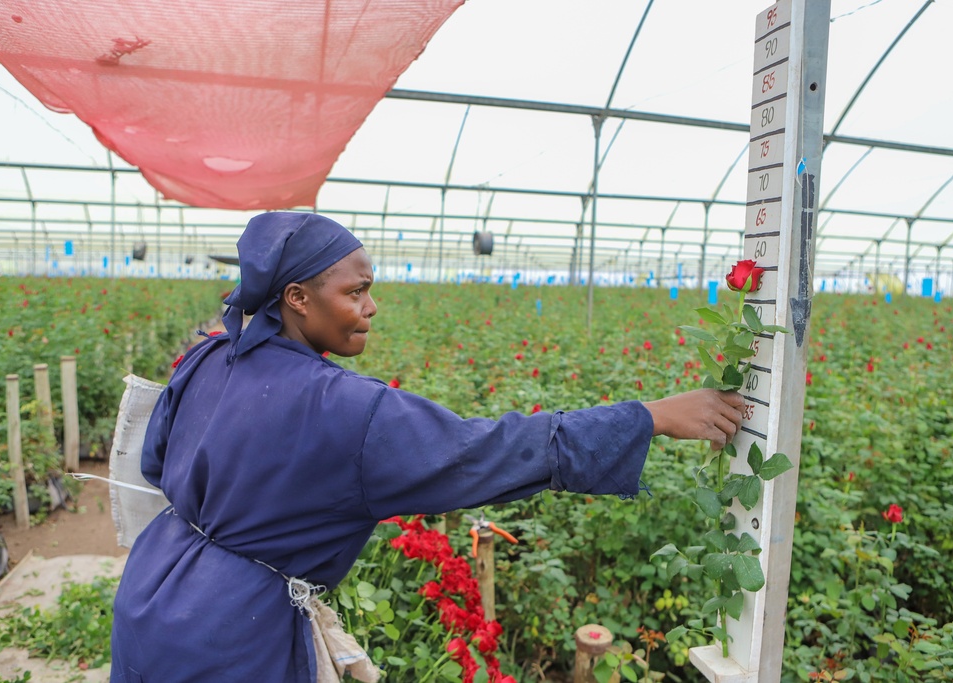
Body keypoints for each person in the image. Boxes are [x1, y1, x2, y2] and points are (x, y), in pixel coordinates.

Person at [110, 211, 745, 683]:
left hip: (150, 593)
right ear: (297, 299)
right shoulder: (347, 410)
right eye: (354, 292)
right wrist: (648, 418)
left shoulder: (211, 356)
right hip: (231, 638)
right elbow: (493, 450)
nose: (372, 306)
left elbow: (156, 462)